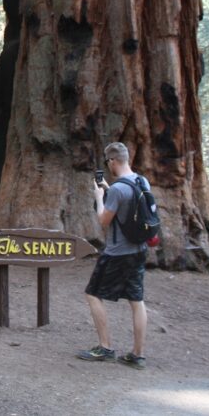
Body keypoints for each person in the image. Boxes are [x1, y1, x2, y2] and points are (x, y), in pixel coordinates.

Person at [77, 141, 149, 370]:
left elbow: (103, 221)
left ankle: (105, 347)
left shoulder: (118, 189)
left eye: (108, 162)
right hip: (139, 250)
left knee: (93, 294)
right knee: (137, 301)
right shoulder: (141, 181)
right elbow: (127, 209)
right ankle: (137, 355)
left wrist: (100, 197)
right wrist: (109, 190)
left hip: (117, 253)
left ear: (112, 161)